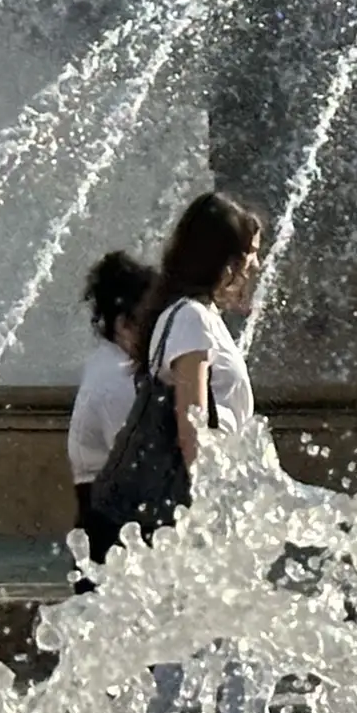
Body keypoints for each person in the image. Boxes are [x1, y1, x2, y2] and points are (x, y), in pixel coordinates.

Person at [136, 190, 263, 474]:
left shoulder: (199, 315)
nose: (257, 264)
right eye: (251, 252)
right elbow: (192, 430)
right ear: (225, 259)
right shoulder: (191, 319)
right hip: (207, 495)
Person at [65, 248, 153, 543]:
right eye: (150, 322)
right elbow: (138, 464)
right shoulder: (118, 378)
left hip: (100, 524)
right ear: (124, 325)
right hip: (112, 534)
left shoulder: (105, 365)